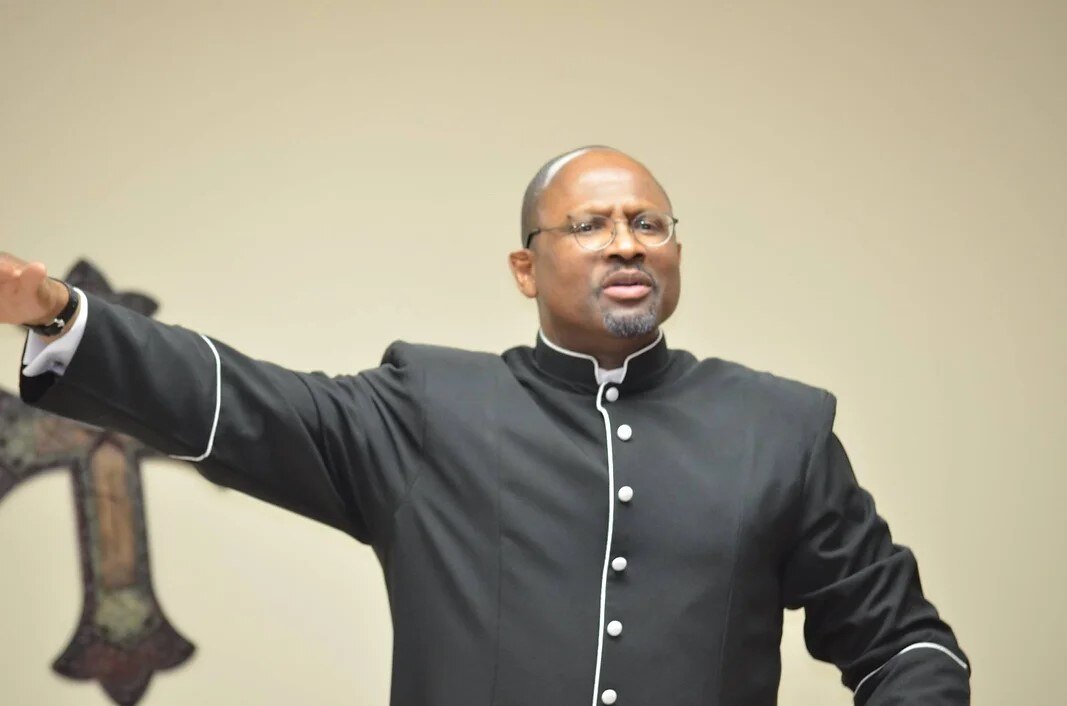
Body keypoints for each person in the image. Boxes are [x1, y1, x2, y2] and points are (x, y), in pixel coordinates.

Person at [2, 146, 970, 705]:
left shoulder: (777, 427)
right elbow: (244, 402)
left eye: (648, 223)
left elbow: (901, 647)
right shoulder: (430, 408)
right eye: (589, 225)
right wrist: (60, 314)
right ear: (524, 268)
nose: (626, 243)